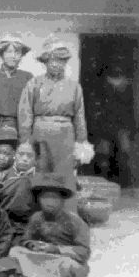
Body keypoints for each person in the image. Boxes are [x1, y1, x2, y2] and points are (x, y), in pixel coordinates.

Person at [18, 35, 90, 177]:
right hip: (40, 134)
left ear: (65, 62)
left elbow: (79, 117)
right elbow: (25, 114)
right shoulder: (34, 83)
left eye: (60, 60)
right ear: (45, 61)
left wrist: (81, 145)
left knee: (63, 175)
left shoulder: (74, 87)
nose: (56, 64)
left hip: (65, 134)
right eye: (52, 60)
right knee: (41, 172)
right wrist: (25, 142)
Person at [10, 173, 90, 277]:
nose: (49, 202)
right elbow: (25, 239)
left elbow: (84, 252)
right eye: (45, 197)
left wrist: (56, 249)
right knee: (15, 252)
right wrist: (32, 244)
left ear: (62, 200)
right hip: (41, 257)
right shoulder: (36, 217)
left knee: (70, 266)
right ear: (39, 199)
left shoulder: (75, 221)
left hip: (62, 259)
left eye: (54, 198)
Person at [0, 142, 38, 245]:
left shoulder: (38, 178)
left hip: (26, 225)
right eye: (21, 154)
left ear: (35, 159)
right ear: (15, 155)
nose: (24, 158)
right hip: (2, 222)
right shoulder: (2, 175)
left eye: (29, 155)